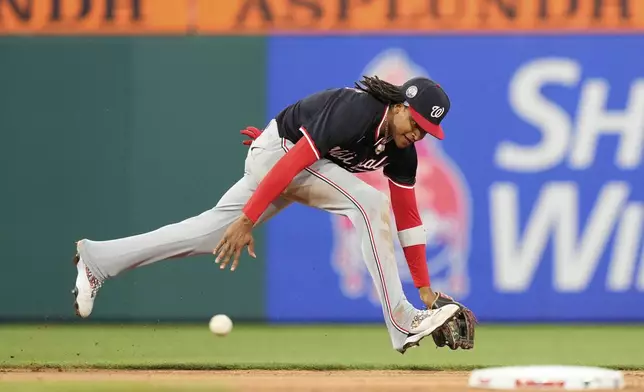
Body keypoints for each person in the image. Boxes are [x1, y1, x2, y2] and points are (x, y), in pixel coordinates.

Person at [72, 75, 471, 354]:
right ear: (399, 106)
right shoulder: (358, 110)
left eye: (426, 131)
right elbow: (296, 156)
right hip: (281, 158)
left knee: (206, 235)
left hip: (286, 163)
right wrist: (248, 217)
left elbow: (409, 218)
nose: (418, 134)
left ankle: (99, 259)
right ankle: (401, 321)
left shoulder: (401, 149)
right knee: (369, 204)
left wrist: (426, 291)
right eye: (416, 123)